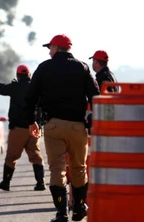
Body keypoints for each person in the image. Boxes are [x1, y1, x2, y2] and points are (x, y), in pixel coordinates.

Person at [25, 34, 100, 222]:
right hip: (77, 126)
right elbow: (95, 95)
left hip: (53, 126)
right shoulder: (82, 67)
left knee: (57, 169)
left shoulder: (44, 68)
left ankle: (62, 212)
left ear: (57, 48)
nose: (49, 52)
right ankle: (79, 209)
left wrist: (31, 121)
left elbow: (30, 98)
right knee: (79, 168)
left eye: (50, 48)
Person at [0, 65, 46, 192]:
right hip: (34, 127)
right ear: (29, 75)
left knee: (11, 157)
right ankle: (41, 183)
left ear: (18, 75)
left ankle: (6, 182)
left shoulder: (14, 87)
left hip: (18, 129)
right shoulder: (37, 88)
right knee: (36, 156)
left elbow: (1, 88)